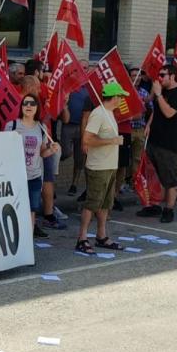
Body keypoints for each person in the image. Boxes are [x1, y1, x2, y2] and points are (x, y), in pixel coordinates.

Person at [77, 82, 128, 254]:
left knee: (105, 203)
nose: (122, 99)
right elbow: (87, 140)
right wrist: (112, 141)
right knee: (92, 203)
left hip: (109, 166)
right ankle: (82, 238)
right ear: (114, 97)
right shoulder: (98, 114)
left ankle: (101, 235)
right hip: (98, 167)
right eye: (120, 96)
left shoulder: (109, 113)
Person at [141, 64, 177, 223]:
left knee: (170, 179)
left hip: (171, 144)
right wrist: (148, 124)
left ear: (173, 76)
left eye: (163, 75)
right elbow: (157, 111)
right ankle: (154, 205)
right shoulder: (161, 92)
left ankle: (169, 209)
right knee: (153, 177)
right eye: (159, 75)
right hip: (155, 140)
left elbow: (169, 113)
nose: (159, 78)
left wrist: (159, 95)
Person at [7, 95, 59, 240]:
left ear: (37, 107)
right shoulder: (11, 125)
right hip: (16, 176)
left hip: (34, 176)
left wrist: (51, 150)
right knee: (15, 209)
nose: (28, 106)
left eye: (32, 103)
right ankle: (14, 240)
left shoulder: (41, 127)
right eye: (25, 103)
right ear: (21, 107)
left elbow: (42, 152)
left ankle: (28, 244)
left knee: (31, 210)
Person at [63, 85, 91, 200]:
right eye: (82, 68)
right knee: (65, 152)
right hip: (68, 125)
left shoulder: (88, 89)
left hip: (82, 126)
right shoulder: (68, 87)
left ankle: (74, 184)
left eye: (85, 68)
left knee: (79, 158)